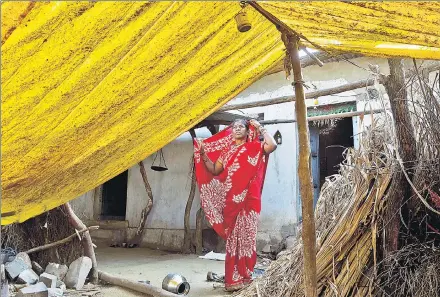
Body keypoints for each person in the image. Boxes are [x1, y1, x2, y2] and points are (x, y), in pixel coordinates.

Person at [193, 119, 277, 291]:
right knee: (233, 240)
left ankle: (245, 277)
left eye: (241, 127)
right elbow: (214, 170)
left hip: (250, 200)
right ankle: (233, 281)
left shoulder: (254, 147)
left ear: (247, 131)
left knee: (247, 237)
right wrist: (202, 154)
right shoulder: (226, 152)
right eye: (234, 127)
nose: (237, 129)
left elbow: (272, 145)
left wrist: (260, 127)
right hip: (231, 200)